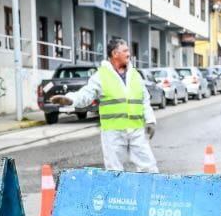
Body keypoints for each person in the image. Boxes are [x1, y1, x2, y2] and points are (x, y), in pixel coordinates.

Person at [50, 37, 158, 172]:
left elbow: (144, 100)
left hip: (136, 130)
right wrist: (70, 99)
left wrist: (150, 120)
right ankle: (116, 193)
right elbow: (86, 94)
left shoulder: (135, 75)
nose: (129, 54)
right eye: (125, 51)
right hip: (113, 132)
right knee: (114, 170)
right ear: (115, 54)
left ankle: (150, 192)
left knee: (149, 167)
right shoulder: (101, 75)